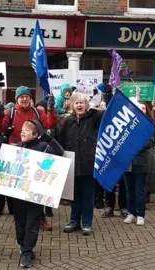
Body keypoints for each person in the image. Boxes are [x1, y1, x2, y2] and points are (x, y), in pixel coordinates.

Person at [0, 85, 57, 231]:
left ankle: (40, 217)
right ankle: (21, 219)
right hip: (17, 154)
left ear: (30, 98)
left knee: (37, 188)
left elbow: (50, 123)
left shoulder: (38, 111)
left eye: (26, 96)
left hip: (36, 152)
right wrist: (0, 116)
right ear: (17, 99)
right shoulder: (11, 112)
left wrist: (51, 110)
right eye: (21, 96)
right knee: (20, 189)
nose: (24, 99)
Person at [13, 120, 64, 268]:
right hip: (18, 193)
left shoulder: (44, 148)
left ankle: (27, 252)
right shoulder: (17, 148)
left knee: (32, 223)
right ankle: (23, 246)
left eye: (27, 130)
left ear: (36, 134)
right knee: (20, 222)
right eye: (22, 129)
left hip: (36, 194)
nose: (23, 131)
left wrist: (48, 138)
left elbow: (59, 153)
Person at [58, 92, 104, 236]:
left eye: (81, 103)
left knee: (88, 196)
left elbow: (106, 114)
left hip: (88, 164)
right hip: (72, 165)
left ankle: (87, 223)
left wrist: (107, 95)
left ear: (86, 105)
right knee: (74, 196)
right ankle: (74, 221)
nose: (79, 105)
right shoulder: (67, 121)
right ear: (72, 105)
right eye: (76, 103)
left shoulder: (93, 119)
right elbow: (61, 141)